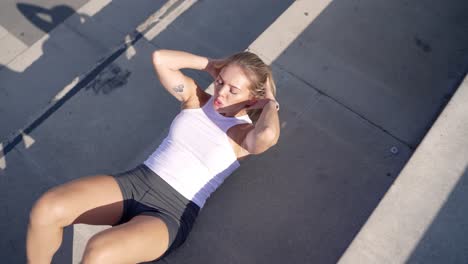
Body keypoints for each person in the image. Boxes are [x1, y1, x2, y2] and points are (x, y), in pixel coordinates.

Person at [26, 49, 281, 263]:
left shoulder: (244, 135)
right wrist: (210, 66)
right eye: (220, 81)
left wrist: (270, 103)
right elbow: (161, 59)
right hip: (135, 183)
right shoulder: (195, 98)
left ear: (253, 99)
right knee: (47, 208)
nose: (220, 92)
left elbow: (268, 135)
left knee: (99, 251)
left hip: (171, 213)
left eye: (232, 90)